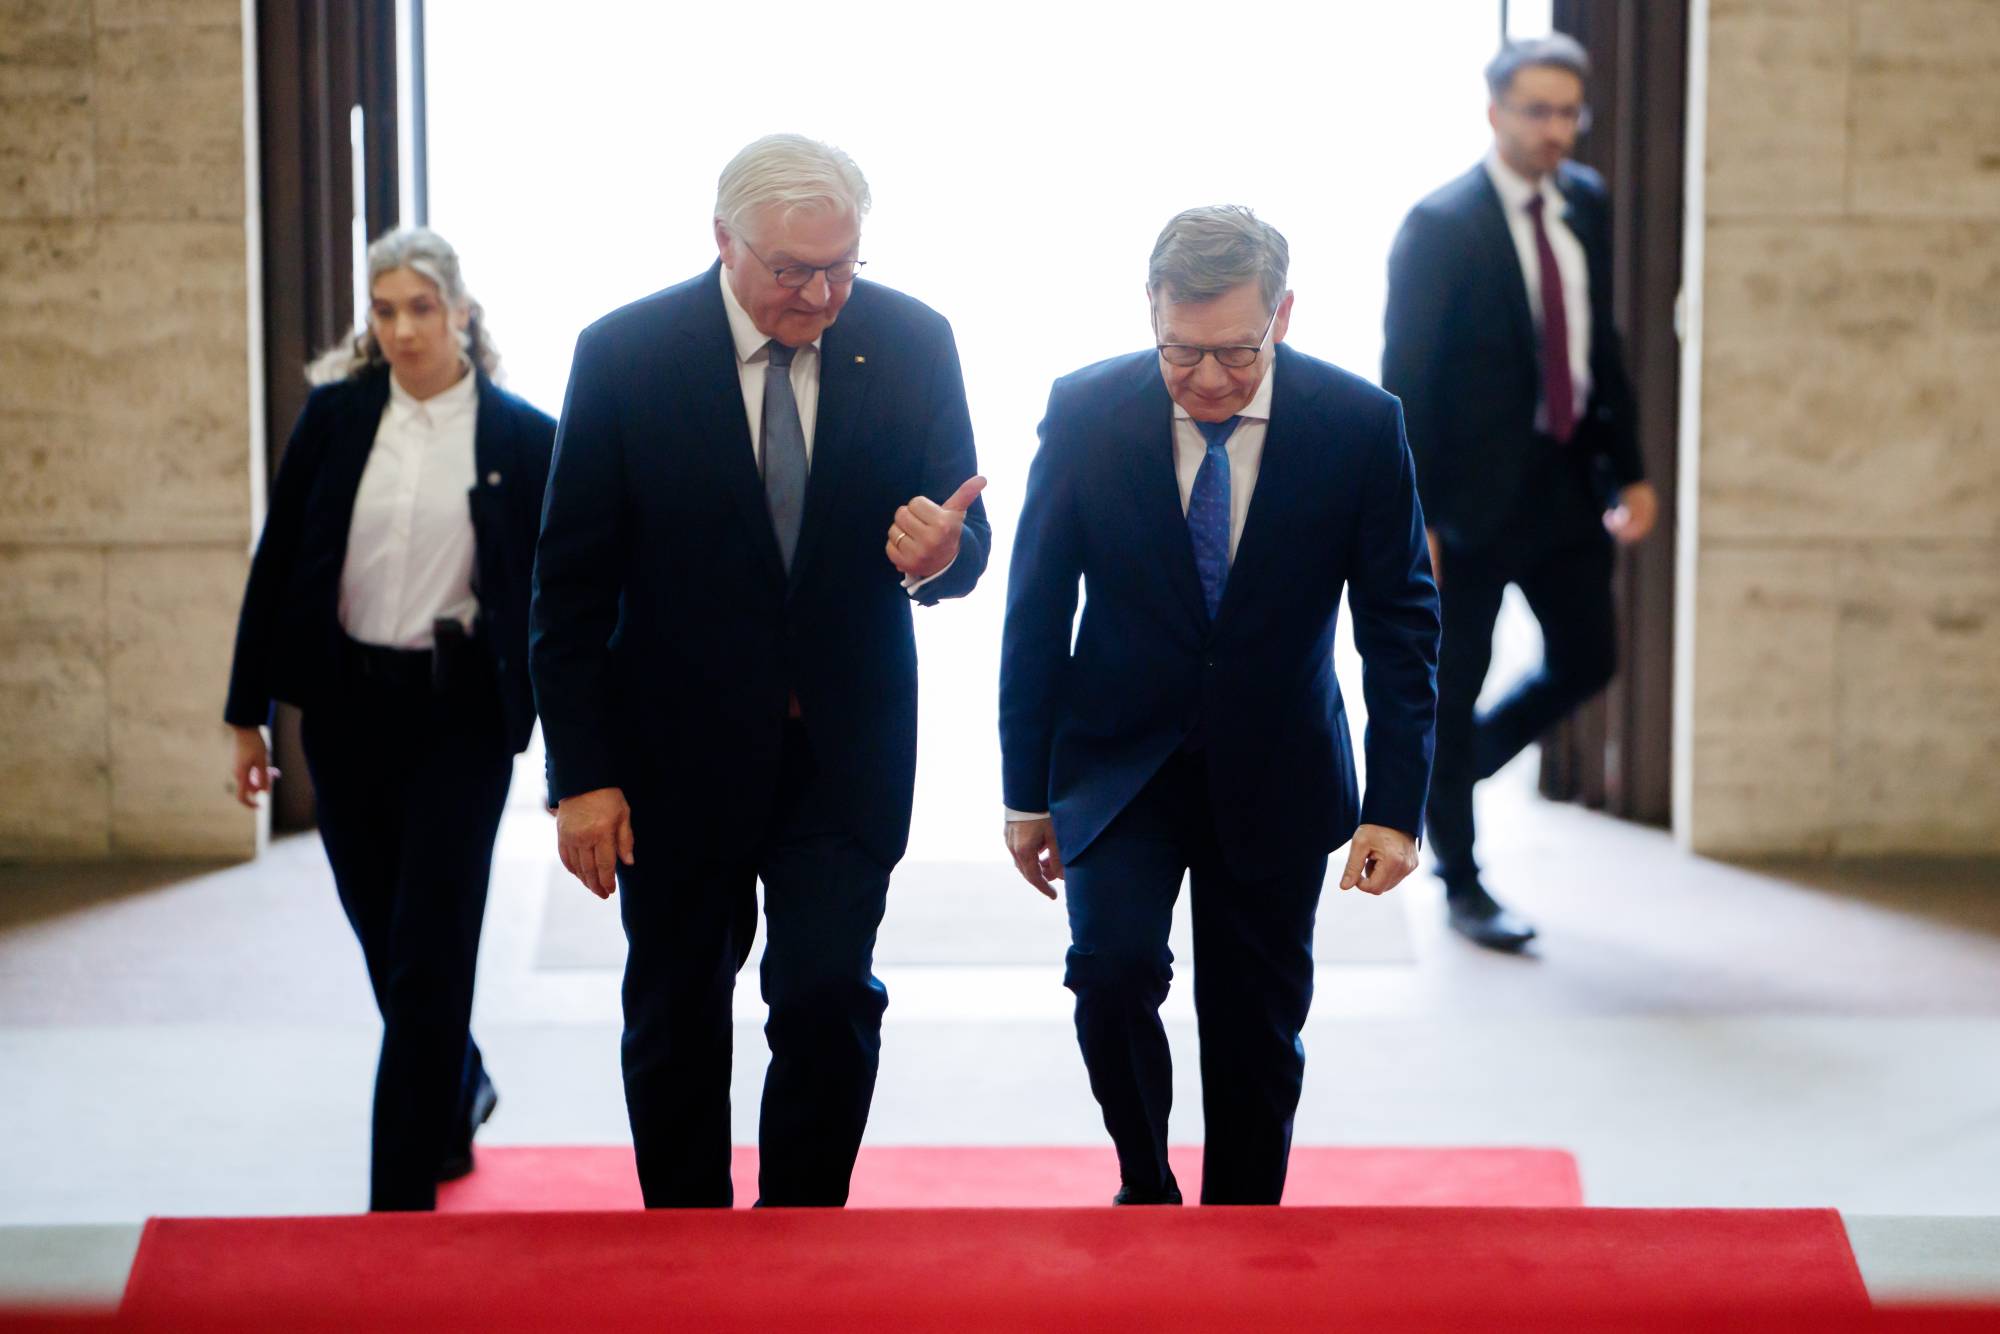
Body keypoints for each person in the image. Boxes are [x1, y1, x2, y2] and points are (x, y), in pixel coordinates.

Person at [531, 134, 990, 1209]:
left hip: (841, 748)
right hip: (673, 754)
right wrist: (582, 775)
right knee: (679, 1005)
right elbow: (567, 588)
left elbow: (962, 532)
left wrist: (945, 556)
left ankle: (800, 1237)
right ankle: (685, 1240)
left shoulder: (912, 340)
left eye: (842, 267)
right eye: (792, 269)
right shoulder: (626, 355)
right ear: (722, 241)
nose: (820, 294)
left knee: (827, 995)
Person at [999, 206, 1439, 1206]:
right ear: (1150, 315)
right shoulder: (1085, 410)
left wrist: (1394, 807)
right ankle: (1146, 1186)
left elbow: (1401, 629)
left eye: (1235, 352)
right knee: (1109, 973)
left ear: (1282, 316)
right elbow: (1035, 611)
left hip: (1277, 763)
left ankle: (1243, 1227)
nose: (1205, 378)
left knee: (1254, 1025)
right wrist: (1024, 791)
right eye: (1180, 350)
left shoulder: (1358, 425)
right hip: (1117, 761)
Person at [224, 227, 555, 1210]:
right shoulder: (335, 417)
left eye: (421, 308)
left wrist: (581, 752)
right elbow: (278, 562)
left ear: (460, 312)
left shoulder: (521, 437)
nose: (403, 329)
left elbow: (555, 597)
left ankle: (397, 1204)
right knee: (387, 941)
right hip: (346, 713)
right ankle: (459, 1081)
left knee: (429, 955)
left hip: (459, 718)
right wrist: (247, 716)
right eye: (384, 311)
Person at [1383, 35, 1659, 952]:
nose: (1555, 130)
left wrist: (1631, 469)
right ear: (1494, 112)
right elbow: (1404, 383)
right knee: (1450, 689)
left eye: (1568, 112)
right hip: (1467, 510)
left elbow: (1599, 343)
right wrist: (1414, 520)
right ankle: (1462, 882)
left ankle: (1457, 769)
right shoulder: (1440, 226)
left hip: (1566, 485)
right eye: (1537, 111)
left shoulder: (1587, 201)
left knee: (1590, 657)